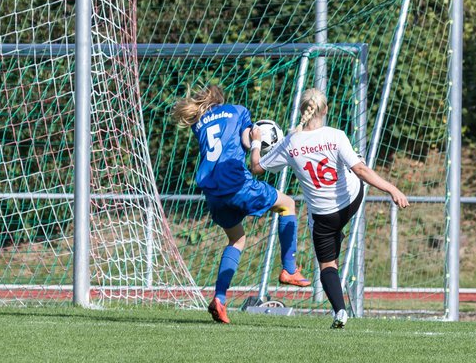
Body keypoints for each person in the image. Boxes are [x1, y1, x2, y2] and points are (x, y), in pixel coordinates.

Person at [252, 88, 409, 329]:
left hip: (323, 216)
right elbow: (361, 171)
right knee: (355, 164)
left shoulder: (289, 142)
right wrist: (391, 189)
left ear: (301, 110)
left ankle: (340, 312)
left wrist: (254, 143)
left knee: (327, 266)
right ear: (325, 110)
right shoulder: (335, 135)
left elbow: (257, 169)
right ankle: (340, 229)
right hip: (351, 201)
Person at [171, 83, 310, 324]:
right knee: (288, 204)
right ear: (222, 99)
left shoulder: (198, 124)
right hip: (236, 183)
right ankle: (289, 268)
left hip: (213, 193)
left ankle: (220, 298)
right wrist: (260, 140)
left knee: (237, 239)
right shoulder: (238, 111)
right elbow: (249, 144)